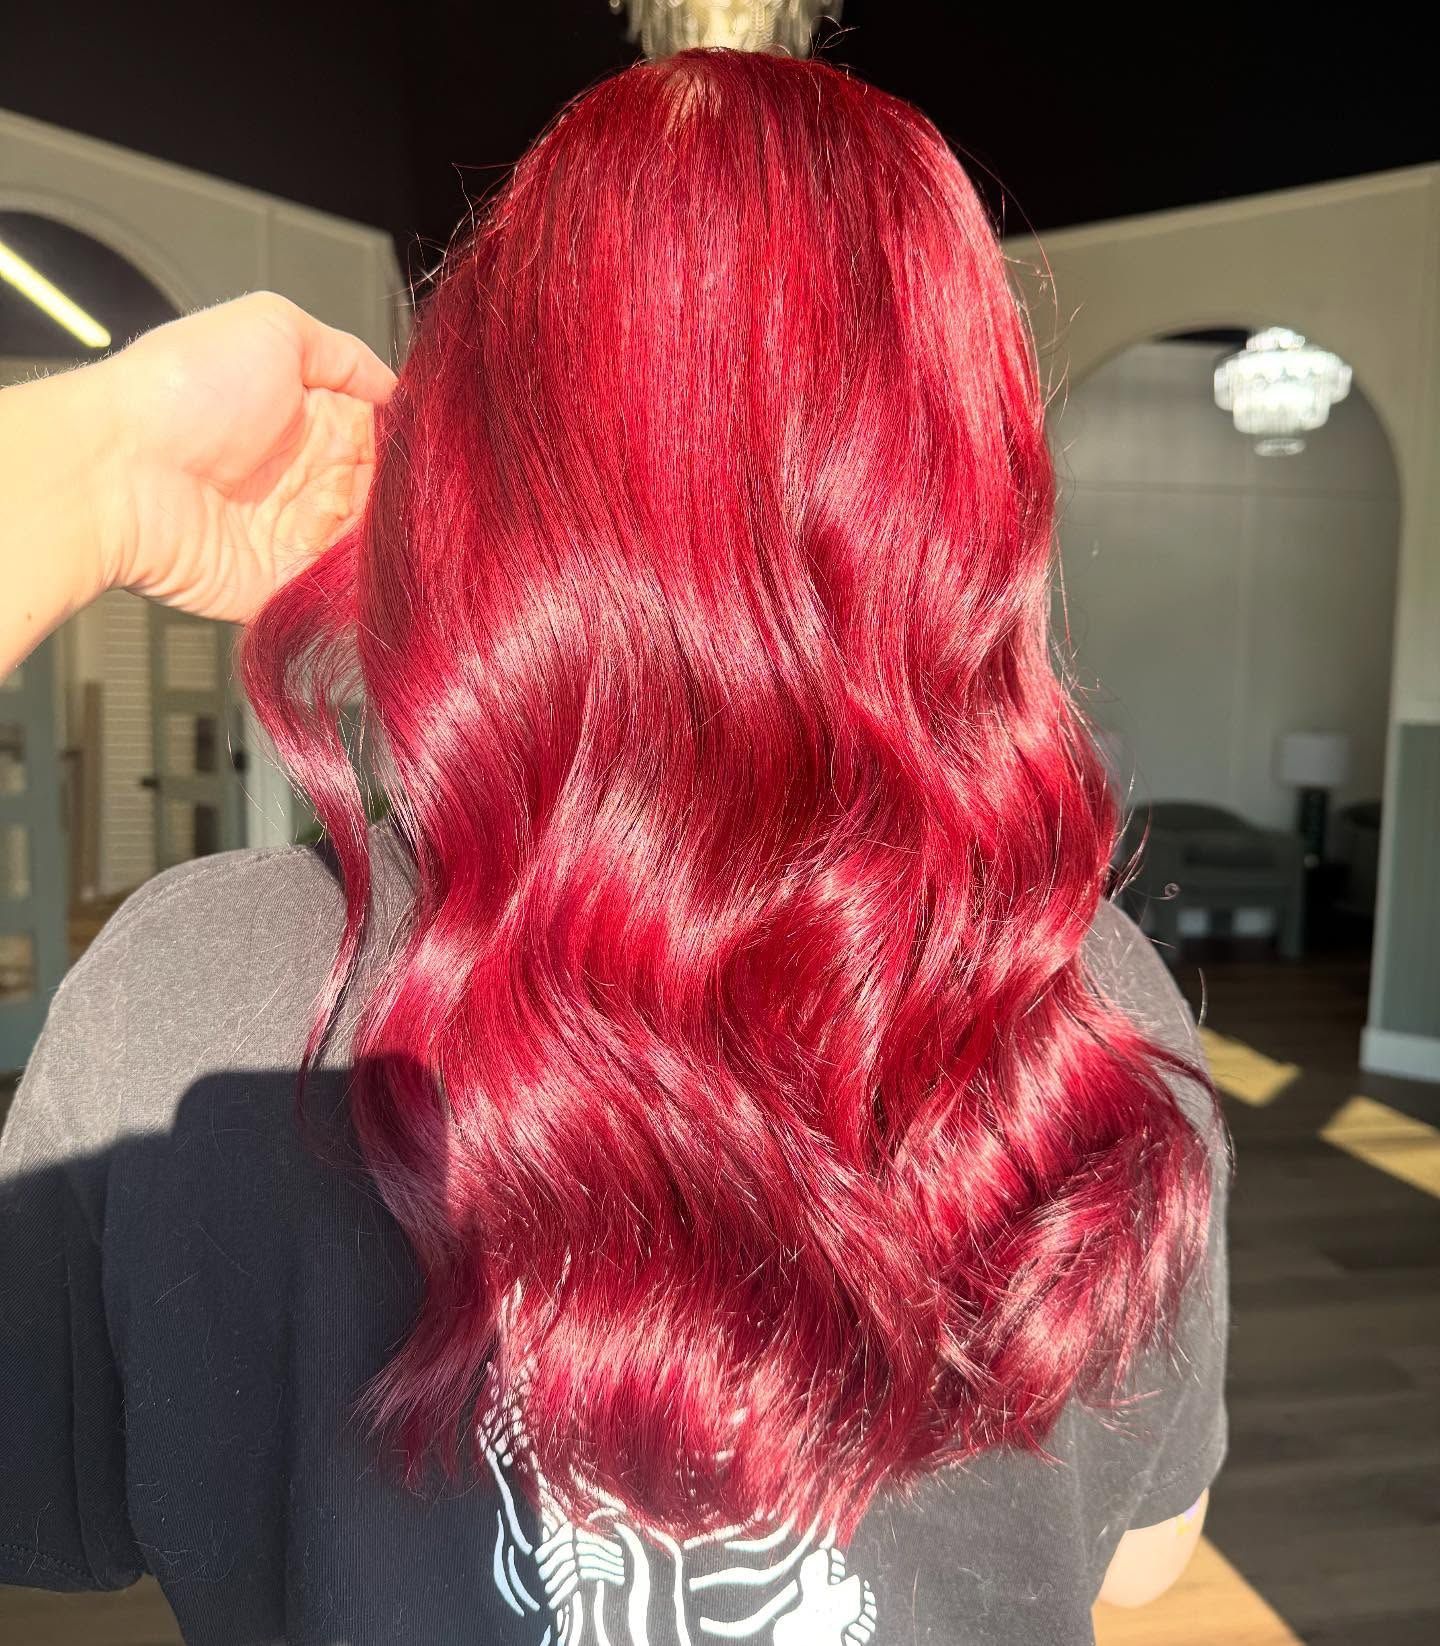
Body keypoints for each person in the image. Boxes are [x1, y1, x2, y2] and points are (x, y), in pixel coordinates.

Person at [0, 48, 1228, 1646]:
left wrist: (80, 478)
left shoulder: (187, 1007)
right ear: (960, 504)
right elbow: (1142, 1555)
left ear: (475, 473)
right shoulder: (1085, 1010)